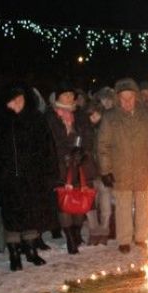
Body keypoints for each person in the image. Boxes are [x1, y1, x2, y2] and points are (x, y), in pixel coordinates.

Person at [0, 84, 58, 271]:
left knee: (31, 212)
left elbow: (47, 149)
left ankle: (31, 250)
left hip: (32, 177)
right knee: (11, 216)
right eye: (13, 100)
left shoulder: (35, 119)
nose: (17, 103)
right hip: (6, 179)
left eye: (20, 99)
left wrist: (49, 173)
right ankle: (14, 252)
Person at [97, 78, 148, 253]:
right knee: (123, 205)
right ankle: (124, 239)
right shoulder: (110, 117)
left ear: (136, 97)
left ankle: (141, 236)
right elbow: (103, 145)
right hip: (121, 168)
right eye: (123, 98)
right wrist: (106, 170)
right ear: (118, 99)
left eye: (130, 97)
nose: (127, 102)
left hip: (144, 166)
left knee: (143, 204)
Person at [46, 82, 96, 254]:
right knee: (65, 201)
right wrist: (65, 155)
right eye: (64, 94)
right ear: (58, 97)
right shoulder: (51, 116)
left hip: (81, 163)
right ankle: (69, 236)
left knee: (80, 197)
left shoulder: (80, 114)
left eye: (70, 94)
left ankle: (76, 232)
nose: (68, 97)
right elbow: (50, 141)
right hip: (61, 164)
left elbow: (89, 136)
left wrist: (82, 152)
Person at [84, 101, 111, 245]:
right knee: (90, 203)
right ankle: (94, 231)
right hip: (89, 170)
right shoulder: (85, 129)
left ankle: (104, 231)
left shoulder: (107, 127)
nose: (93, 117)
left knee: (105, 201)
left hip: (103, 170)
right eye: (90, 115)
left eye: (96, 114)